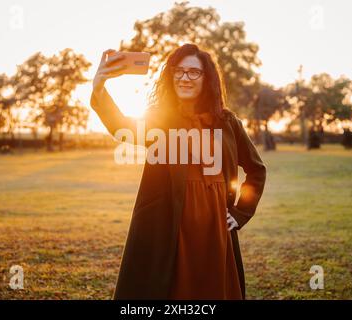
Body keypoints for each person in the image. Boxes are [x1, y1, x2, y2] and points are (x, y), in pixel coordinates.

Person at [90, 43, 266, 300]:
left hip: (214, 224)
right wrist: (99, 88)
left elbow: (256, 170)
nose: (185, 78)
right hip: (168, 221)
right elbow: (120, 127)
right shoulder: (159, 120)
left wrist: (240, 213)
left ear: (207, 79)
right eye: (179, 71)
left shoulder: (228, 123)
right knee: (172, 290)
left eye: (194, 72)